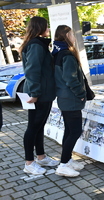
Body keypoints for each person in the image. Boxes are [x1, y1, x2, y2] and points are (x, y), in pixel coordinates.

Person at [20, 16, 59, 175]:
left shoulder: (37, 44)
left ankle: (41, 157)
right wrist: (35, 93)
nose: (48, 29)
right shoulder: (36, 45)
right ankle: (29, 162)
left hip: (43, 93)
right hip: (39, 94)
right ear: (40, 28)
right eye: (46, 26)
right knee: (33, 127)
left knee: (39, 126)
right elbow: (32, 70)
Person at [52, 25, 86, 177]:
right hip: (71, 99)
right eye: (72, 34)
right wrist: (81, 94)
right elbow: (70, 78)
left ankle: (67, 160)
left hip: (64, 98)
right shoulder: (67, 55)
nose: (74, 36)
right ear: (66, 35)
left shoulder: (58, 53)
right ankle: (63, 164)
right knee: (75, 131)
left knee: (69, 130)